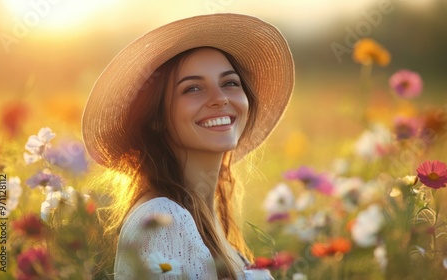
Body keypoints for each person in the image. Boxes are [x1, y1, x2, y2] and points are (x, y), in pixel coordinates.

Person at [82, 13, 294, 279]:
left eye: (230, 83)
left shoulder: (201, 216)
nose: (220, 99)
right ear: (157, 118)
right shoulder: (163, 220)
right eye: (193, 88)